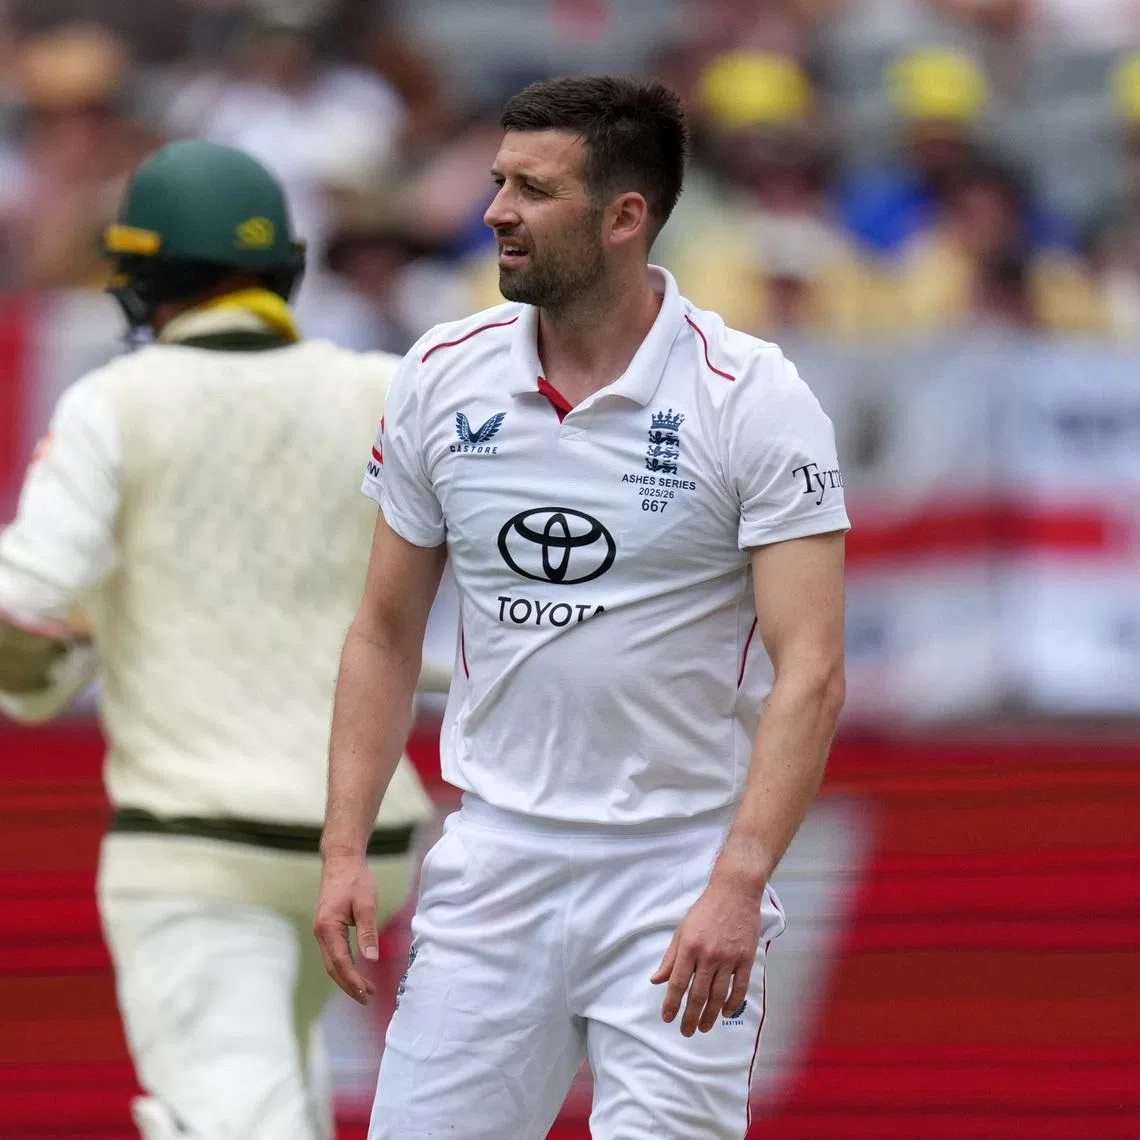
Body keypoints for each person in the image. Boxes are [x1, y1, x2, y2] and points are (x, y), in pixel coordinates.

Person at [315, 76, 849, 1140]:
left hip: (679, 873)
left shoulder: (753, 396)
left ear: (624, 217)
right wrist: (344, 848)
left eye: (532, 189)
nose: (494, 212)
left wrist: (739, 881)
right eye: (498, 180)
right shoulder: (437, 374)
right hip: (494, 865)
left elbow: (814, 670)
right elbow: (382, 630)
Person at [0, 140, 433, 1140]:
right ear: (286, 266)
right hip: (372, 842)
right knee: (284, 1096)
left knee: (232, 1117)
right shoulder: (383, 385)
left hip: (200, 844)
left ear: (141, 276)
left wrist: (54, 650)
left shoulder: (118, 400)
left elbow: (28, 595)